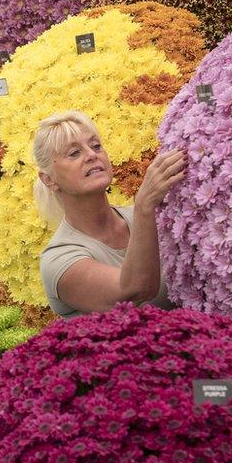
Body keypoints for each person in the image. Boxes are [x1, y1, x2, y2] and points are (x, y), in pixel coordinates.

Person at [36, 110, 186, 318]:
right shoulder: (59, 259)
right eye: (74, 153)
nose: (91, 155)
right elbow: (135, 290)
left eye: (96, 146)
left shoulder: (144, 217)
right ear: (49, 180)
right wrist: (144, 204)